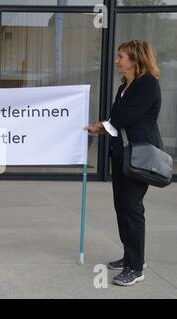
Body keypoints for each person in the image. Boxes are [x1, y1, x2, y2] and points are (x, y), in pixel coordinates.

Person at [87, 40, 162, 287]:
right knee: (122, 207)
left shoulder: (148, 84)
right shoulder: (125, 86)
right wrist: (103, 127)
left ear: (135, 59)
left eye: (121, 56)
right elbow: (116, 119)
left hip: (139, 156)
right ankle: (130, 255)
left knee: (132, 209)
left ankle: (135, 267)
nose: (117, 60)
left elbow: (128, 117)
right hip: (122, 155)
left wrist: (102, 126)